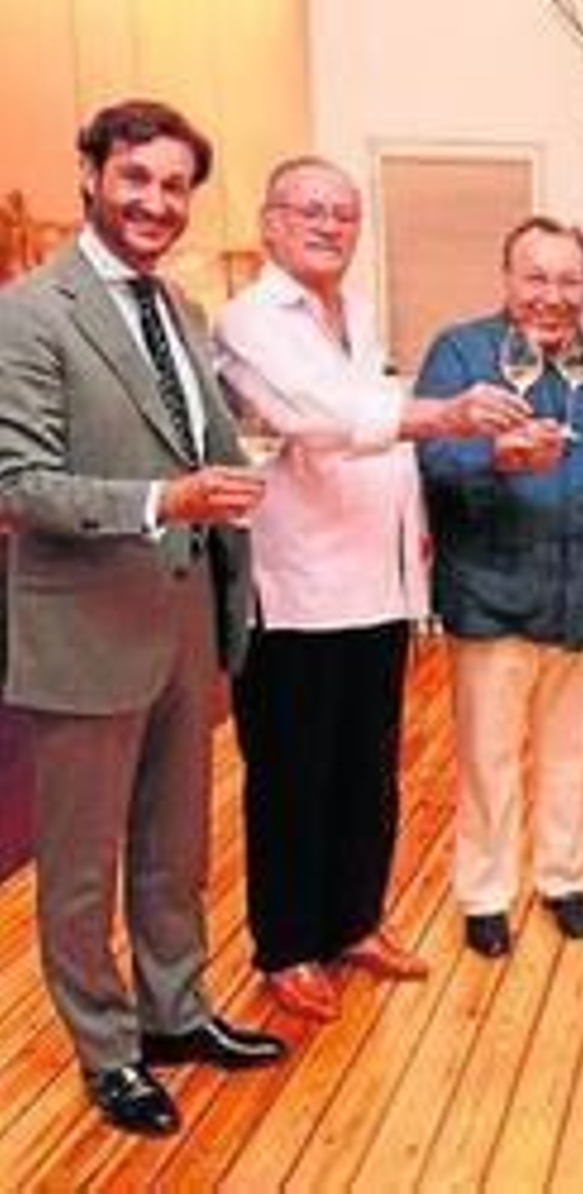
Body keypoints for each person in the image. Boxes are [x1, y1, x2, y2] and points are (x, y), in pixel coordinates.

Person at [0, 99, 285, 1138]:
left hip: (182, 623)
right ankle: (108, 1052)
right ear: (89, 175)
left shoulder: (179, 312)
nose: (156, 203)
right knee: (80, 871)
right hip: (81, 632)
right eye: (136, 180)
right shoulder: (29, 314)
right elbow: (19, 484)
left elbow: (193, 440)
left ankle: (175, 1011)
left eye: (174, 187)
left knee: (174, 845)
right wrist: (167, 501)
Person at [215, 157, 529, 1021]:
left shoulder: (354, 311)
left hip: (380, 582)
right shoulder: (251, 321)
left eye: (344, 214)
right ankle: (287, 946)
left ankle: (354, 920)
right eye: (309, 210)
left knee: (367, 770)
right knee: (292, 774)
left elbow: (377, 422)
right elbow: (313, 417)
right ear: (270, 222)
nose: (328, 226)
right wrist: (445, 413)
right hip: (297, 588)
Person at [415, 215, 583, 958]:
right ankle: (486, 892)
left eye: (569, 279)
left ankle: (563, 877)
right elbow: (431, 460)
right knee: (488, 759)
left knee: (573, 754)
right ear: (508, 279)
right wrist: (497, 460)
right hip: (492, 593)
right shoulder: (461, 353)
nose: (553, 295)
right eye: (536, 277)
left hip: (582, 595)